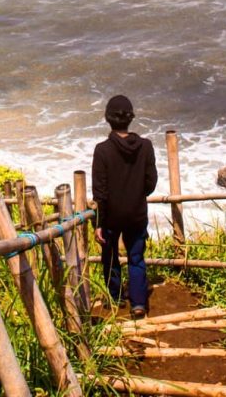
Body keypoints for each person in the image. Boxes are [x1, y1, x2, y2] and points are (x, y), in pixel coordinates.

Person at [91, 94, 157, 318]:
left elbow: (99, 192)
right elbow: (151, 182)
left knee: (110, 257)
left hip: (110, 216)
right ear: (131, 119)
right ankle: (138, 304)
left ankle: (116, 297)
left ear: (108, 119)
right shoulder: (146, 147)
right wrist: (136, 196)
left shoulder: (102, 150)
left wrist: (98, 223)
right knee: (136, 258)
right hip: (137, 213)